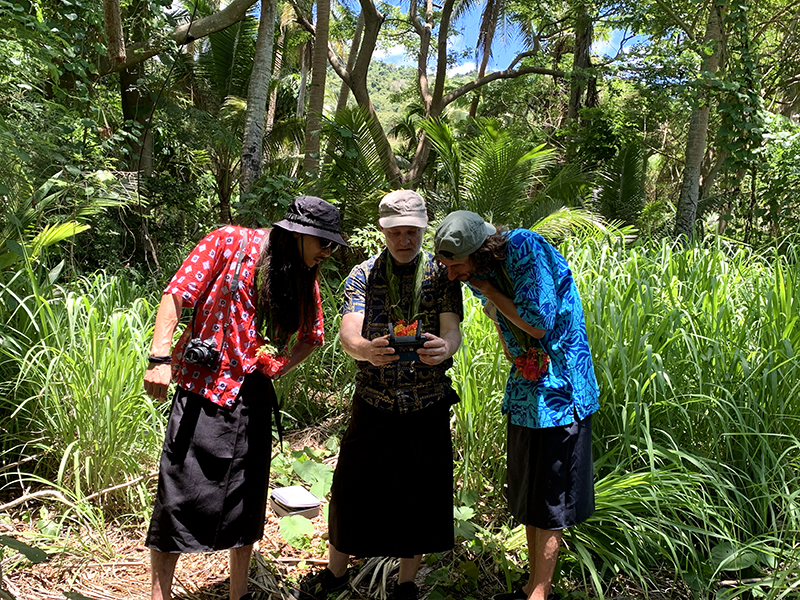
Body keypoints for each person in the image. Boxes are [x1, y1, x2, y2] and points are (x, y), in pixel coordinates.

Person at [143, 196, 346, 600]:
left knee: (246, 501)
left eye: (331, 246)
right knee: (177, 497)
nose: (327, 252)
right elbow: (177, 293)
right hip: (204, 388)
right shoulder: (229, 241)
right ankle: (157, 595)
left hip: (252, 397)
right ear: (298, 235)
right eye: (323, 243)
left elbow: (313, 336)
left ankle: (239, 594)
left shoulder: (303, 276)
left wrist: (278, 366)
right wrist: (160, 356)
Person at [293, 190, 463, 600]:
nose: (405, 240)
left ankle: (406, 584)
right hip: (375, 399)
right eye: (396, 232)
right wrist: (366, 350)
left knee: (420, 494)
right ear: (383, 232)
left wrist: (445, 348)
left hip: (427, 402)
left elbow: (452, 328)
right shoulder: (363, 274)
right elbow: (349, 332)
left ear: (423, 230)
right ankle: (335, 575)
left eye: (412, 232)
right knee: (352, 488)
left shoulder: (441, 274)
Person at [433, 211, 600, 600]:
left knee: (551, 500)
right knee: (530, 496)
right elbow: (503, 322)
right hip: (527, 392)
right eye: (448, 266)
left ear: (482, 251)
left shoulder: (524, 246)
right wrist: (513, 351)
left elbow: (538, 322)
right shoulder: (478, 274)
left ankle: (540, 593)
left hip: (561, 392)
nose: (454, 275)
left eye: (457, 265)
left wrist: (490, 293)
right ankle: (531, 587)